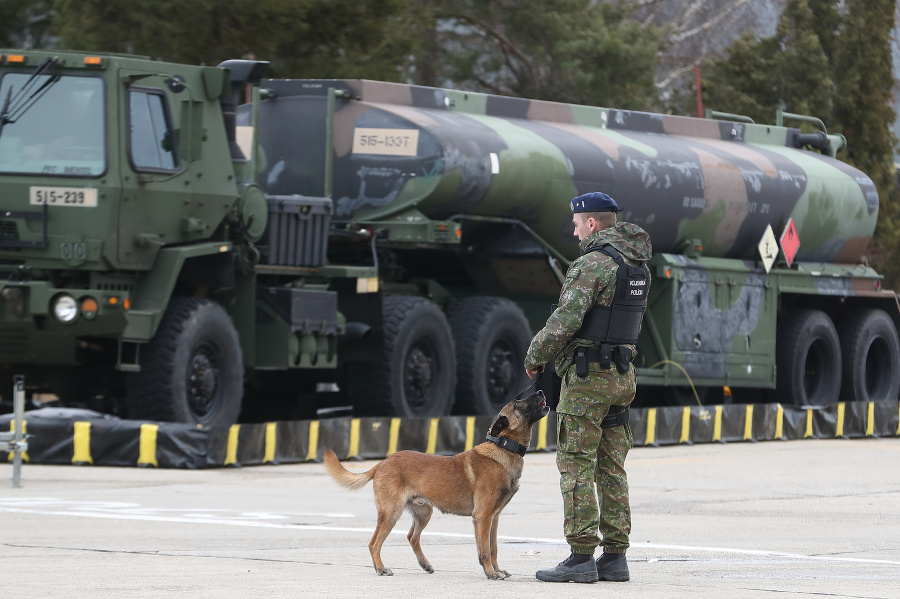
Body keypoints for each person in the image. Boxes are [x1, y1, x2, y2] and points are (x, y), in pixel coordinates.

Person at [525, 191, 652, 584]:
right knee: (612, 467)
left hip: (587, 380)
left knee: (576, 465)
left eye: (577, 222)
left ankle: (581, 556)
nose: (574, 229)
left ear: (592, 223)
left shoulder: (592, 264)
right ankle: (615, 557)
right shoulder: (637, 265)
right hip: (621, 376)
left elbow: (566, 320)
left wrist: (535, 354)